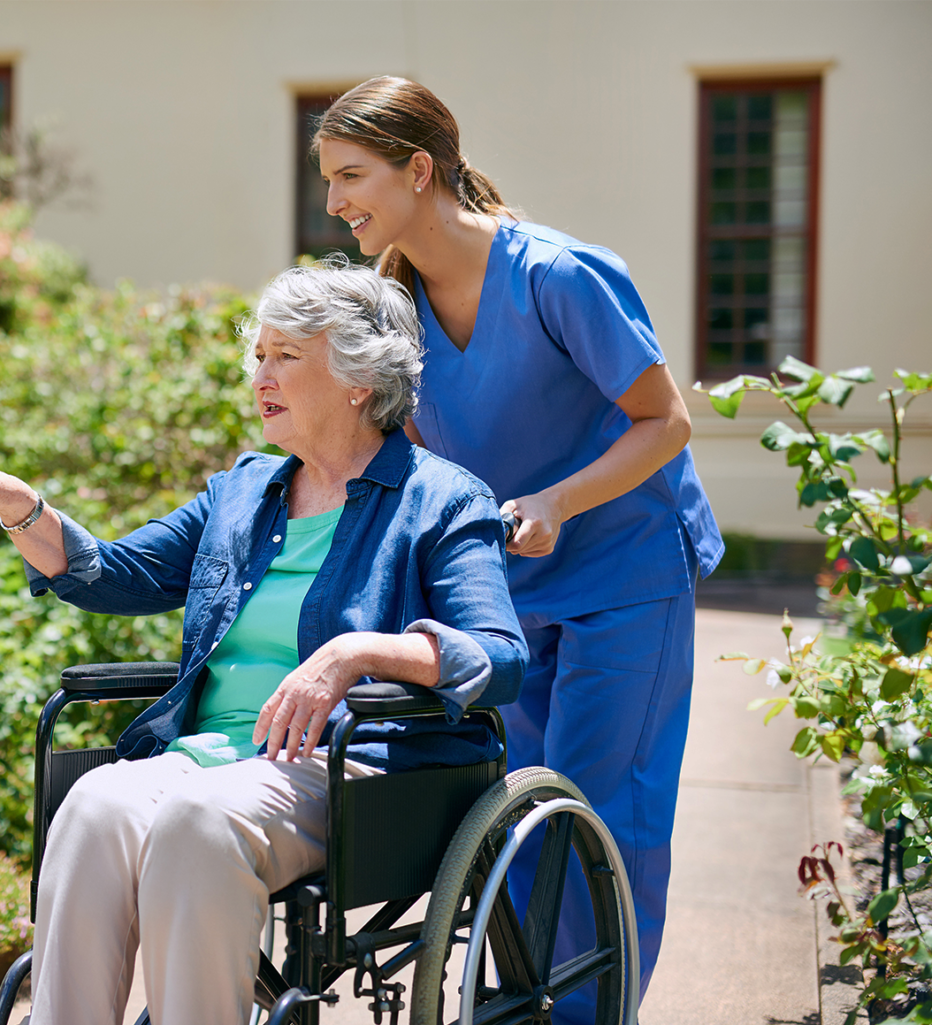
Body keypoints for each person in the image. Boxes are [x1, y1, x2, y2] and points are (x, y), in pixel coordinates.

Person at [0, 261, 526, 1025]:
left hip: (349, 767)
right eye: (259, 354)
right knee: (94, 805)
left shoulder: (442, 499)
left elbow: (498, 655)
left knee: (199, 819)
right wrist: (23, 508)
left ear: (358, 378)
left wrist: (354, 652)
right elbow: (117, 573)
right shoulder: (241, 493)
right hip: (207, 760)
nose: (260, 374)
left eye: (286, 356)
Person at [313, 77, 724, 1016]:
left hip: (625, 573)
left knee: (603, 812)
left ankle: (587, 1007)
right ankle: (525, 1004)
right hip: (509, 590)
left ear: (420, 170)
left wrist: (560, 500)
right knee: (525, 816)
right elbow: (404, 456)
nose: (334, 202)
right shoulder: (394, 308)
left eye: (351, 175)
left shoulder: (560, 275)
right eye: (328, 179)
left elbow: (666, 422)